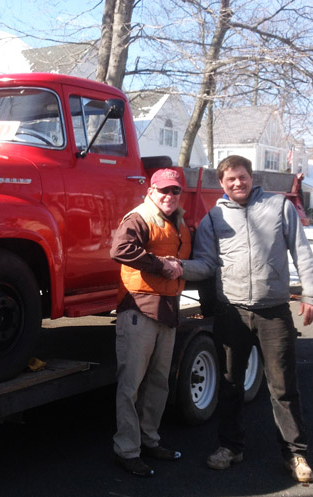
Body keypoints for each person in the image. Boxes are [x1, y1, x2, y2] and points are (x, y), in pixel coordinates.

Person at [181, 155, 313, 483]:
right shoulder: (213, 218)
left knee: (283, 385)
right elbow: (205, 262)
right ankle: (230, 447)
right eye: (230, 180)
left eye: (241, 177)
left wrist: (311, 294)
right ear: (222, 183)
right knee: (230, 384)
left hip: (273, 311)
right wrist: (176, 267)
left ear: (251, 176)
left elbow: (302, 252)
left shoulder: (278, 207)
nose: (237, 183)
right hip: (233, 311)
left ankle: (294, 453)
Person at [110, 168, 191, 477]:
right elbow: (120, 249)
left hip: (168, 309)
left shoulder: (179, 221)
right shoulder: (139, 217)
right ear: (151, 191)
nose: (169, 196)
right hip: (138, 310)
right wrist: (160, 266)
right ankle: (127, 451)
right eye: (164, 191)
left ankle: (149, 440)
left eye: (175, 191)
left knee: (158, 383)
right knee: (131, 385)